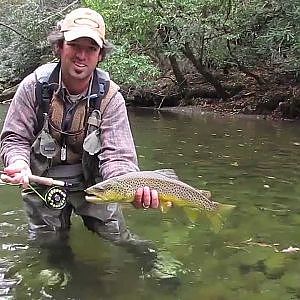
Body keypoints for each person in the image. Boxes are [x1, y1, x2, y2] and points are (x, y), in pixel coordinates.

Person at [0, 8, 160, 264]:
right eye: (75, 45)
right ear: (60, 46)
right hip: (41, 182)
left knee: (119, 236)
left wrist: (129, 188)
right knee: (48, 246)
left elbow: (118, 156)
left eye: (91, 48)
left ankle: (156, 263)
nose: (82, 55)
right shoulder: (33, 86)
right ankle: (56, 275)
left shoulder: (111, 98)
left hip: (95, 185)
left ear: (100, 55)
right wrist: (18, 163)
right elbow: (14, 138)